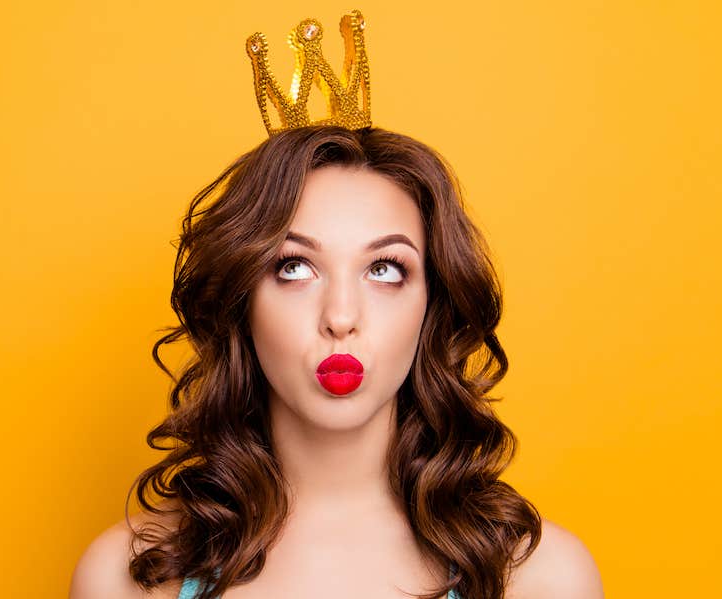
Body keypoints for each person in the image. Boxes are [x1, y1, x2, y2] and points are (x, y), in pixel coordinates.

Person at [70, 10, 602, 599]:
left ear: (433, 305)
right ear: (242, 301)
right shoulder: (129, 577)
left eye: (384, 269)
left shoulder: (541, 579)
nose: (341, 316)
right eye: (293, 267)